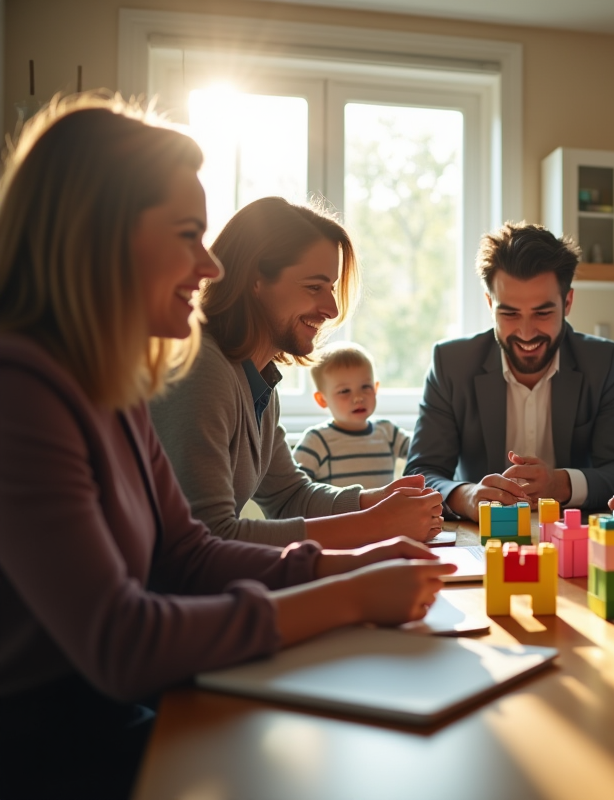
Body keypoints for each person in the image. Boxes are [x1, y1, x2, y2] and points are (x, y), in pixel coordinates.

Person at [0, 95, 455, 799]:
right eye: (188, 235)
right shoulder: (21, 390)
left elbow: (187, 554)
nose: (209, 266)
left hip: (118, 716)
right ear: (100, 235)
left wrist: (351, 562)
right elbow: (123, 644)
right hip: (53, 749)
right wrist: (348, 594)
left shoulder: (110, 383)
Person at [151, 197, 443, 547]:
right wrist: (375, 525)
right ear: (255, 280)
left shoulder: (258, 378)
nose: (331, 309)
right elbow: (208, 537)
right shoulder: (202, 368)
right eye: (313, 287)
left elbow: (288, 496)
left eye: (331, 288)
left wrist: (374, 501)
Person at [405, 222, 614, 521]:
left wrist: (560, 484)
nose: (527, 333)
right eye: (509, 313)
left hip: (573, 535)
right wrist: (467, 497)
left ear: (567, 302)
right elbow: (420, 473)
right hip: (481, 539)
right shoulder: (450, 363)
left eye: (542, 313)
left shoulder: (603, 362)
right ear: (490, 304)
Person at [293, 341, 411, 489]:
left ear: (375, 388)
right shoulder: (316, 441)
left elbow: (424, 452)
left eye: (365, 387)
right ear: (322, 399)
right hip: (342, 513)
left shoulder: (388, 432)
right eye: (344, 391)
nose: (358, 398)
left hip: (386, 513)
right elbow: (296, 489)